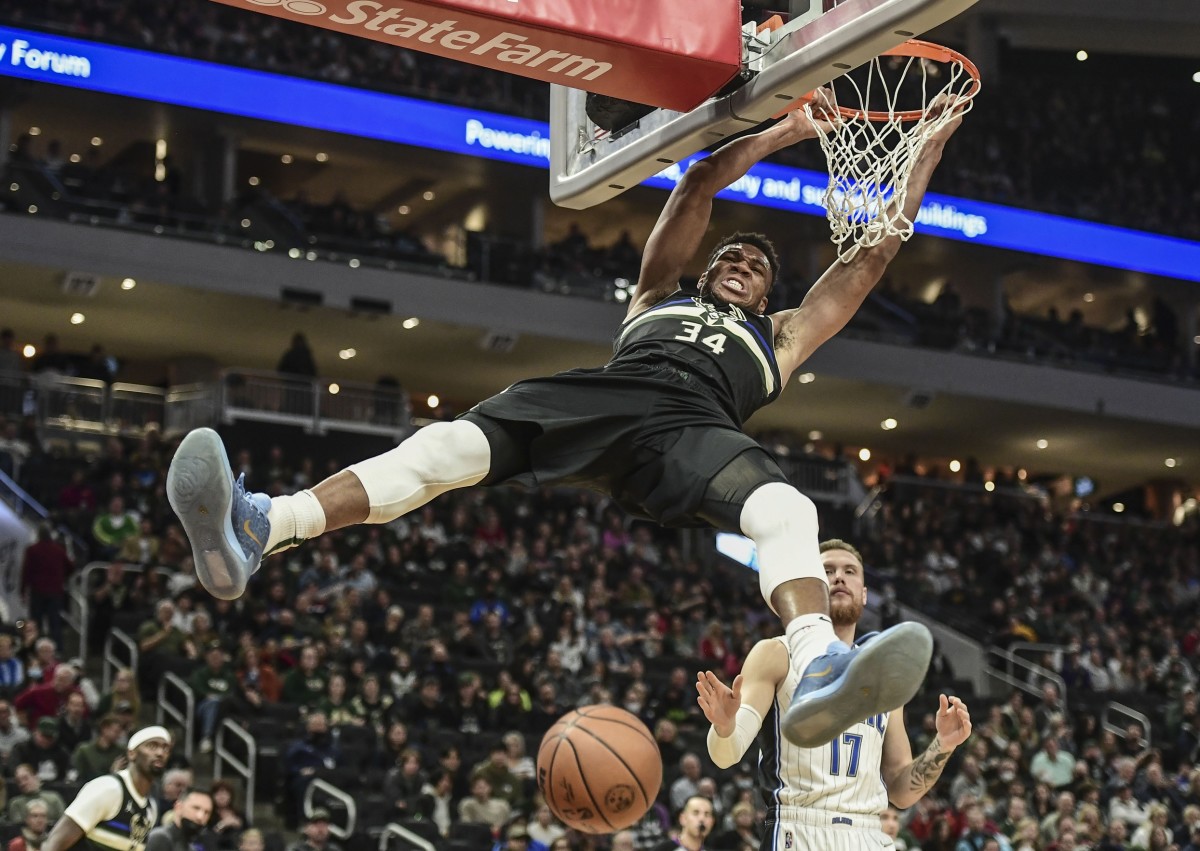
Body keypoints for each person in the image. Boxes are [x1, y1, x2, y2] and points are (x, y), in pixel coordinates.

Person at [167, 92, 966, 747]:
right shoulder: (657, 297)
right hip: (611, 394)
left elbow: (869, 257)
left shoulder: (782, 338)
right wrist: (784, 129)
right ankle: (262, 527)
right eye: (730, 257)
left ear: (768, 294)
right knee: (445, 447)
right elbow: (694, 189)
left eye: (755, 266)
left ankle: (819, 665)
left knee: (790, 508)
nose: (739, 263)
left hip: (696, 428)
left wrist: (926, 144)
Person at [696, 540, 973, 850]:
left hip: (869, 833)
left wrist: (943, 745)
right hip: (800, 829)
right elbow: (726, 755)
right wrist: (724, 725)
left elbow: (900, 790)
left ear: (865, 594)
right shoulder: (776, 653)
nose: (839, 577)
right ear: (811, 589)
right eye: (827, 571)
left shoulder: (884, 673)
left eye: (850, 571)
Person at [38, 726, 170, 851]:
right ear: (131, 754)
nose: (160, 753)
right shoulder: (108, 788)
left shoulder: (151, 808)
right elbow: (53, 844)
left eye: (165, 749)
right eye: (152, 746)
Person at [145, 789, 215, 851]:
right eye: (196, 808)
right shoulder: (161, 838)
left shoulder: (192, 847)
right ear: (178, 807)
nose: (200, 816)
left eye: (207, 812)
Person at [651, 795, 716, 851]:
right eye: (696, 813)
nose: (702, 818)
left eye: (707, 814)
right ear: (683, 818)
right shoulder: (662, 849)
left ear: (712, 822)